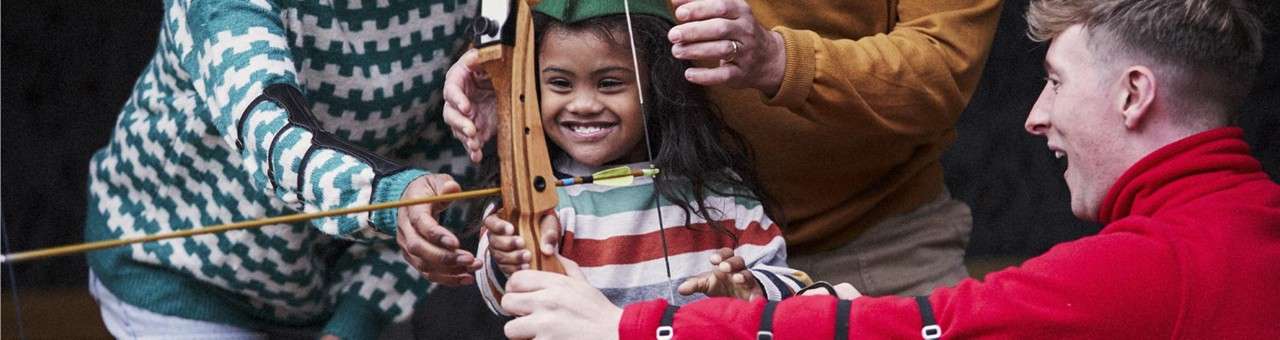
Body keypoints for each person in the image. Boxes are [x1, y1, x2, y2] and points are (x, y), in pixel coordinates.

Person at [491, 0, 1280, 338]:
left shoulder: (1141, 269)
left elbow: (913, 330)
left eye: (1057, 82)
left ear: (1134, 93)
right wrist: (506, 68)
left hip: (873, 242)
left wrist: (636, 327)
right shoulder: (1244, 223)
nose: (1035, 115)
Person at [433, 0, 1003, 298]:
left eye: (606, 86)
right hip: (644, 240)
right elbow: (552, 21)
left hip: (875, 246)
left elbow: (944, 68)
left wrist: (778, 60)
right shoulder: (567, 209)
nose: (583, 101)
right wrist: (508, 81)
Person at [83, 0, 477, 338]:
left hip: (331, 282)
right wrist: (393, 198)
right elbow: (273, 135)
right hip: (177, 271)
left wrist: (360, 315)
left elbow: (453, 159)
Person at [468, 0, 809, 314]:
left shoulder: (719, 193)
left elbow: (795, 287)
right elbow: (502, 297)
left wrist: (751, 289)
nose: (583, 104)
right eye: (560, 83)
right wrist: (508, 259)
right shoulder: (534, 197)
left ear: (658, 87)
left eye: (610, 83)